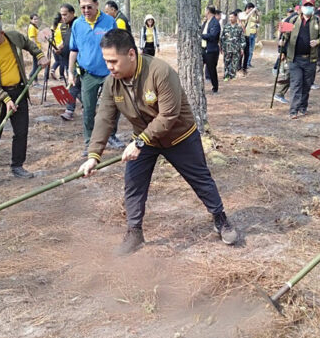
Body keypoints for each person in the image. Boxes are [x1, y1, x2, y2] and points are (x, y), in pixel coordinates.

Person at [78, 29, 239, 254]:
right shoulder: (111, 83)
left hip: (178, 136)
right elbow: (104, 118)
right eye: (106, 61)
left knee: (201, 180)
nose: (109, 67)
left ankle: (220, 219)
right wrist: (93, 156)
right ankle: (135, 234)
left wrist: (140, 141)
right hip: (144, 140)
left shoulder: (160, 72)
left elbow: (168, 116)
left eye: (113, 61)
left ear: (131, 55)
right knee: (133, 185)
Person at [0, 17, 49, 189]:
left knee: (21, 131)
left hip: (19, 91)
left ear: (1, 33)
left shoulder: (13, 37)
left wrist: (39, 55)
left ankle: (17, 166)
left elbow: (29, 44)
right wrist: (6, 99)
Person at [68, 0, 124, 155]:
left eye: (89, 7)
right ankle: (89, 142)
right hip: (88, 74)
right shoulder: (78, 24)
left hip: (110, 73)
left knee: (115, 105)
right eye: (83, 7)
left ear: (97, 5)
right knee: (89, 109)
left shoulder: (109, 21)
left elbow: (118, 46)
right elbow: (73, 50)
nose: (86, 10)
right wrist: (70, 72)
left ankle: (111, 135)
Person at [279, 0, 320, 119]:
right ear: (301, 7)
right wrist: (281, 46)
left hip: (310, 59)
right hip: (295, 59)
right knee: (296, 83)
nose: (308, 7)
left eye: (310, 5)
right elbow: (284, 35)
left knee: (307, 84)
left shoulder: (317, 21)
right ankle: (293, 110)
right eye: (306, 5)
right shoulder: (293, 19)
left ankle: (302, 107)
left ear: (313, 8)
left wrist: (317, 41)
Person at [201, 5, 221, 93]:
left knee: (211, 69)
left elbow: (212, 36)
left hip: (211, 50)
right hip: (202, 49)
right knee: (199, 68)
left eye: (205, 10)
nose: (204, 12)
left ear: (208, 11)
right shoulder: (206, 22)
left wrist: (200, 36)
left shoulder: (215, 23)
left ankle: (215, 87)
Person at [221, 11, 246, 81]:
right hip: (227, 48)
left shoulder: (239, 27)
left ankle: (232, 75)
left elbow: (242, 39)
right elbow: (222, 38)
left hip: (236, 48)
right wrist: (222, 48)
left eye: (232, 17)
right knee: (226, 62)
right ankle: (226, 75)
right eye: (229, 17)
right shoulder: (226, 27)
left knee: (235, 62)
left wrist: (242, 48)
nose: (230, 19)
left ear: (235, 17)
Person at [241, 2, 259, 70]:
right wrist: (252, 12)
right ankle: (239, 66)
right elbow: (245, 18)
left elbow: (258, 21)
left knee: (248, 52)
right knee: (241, 52)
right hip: (242, 36)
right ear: (247, 8)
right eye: (251, 9)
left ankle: (245, 66)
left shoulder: (251, 16)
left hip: (248, 35)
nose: (252, 11)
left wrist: (257, 14)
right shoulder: (242, 14)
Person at [27, 13, 41, 81]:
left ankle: (32, 76)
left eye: (37, 19)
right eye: (34, 19)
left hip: (37, 47)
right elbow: (32, 39)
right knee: (36, 65)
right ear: (31, 20)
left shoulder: (34, 27)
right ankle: (34, 79)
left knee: (37, 65)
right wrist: (36, 49)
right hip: (35, 49)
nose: (36, 20)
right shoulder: (32, 27)